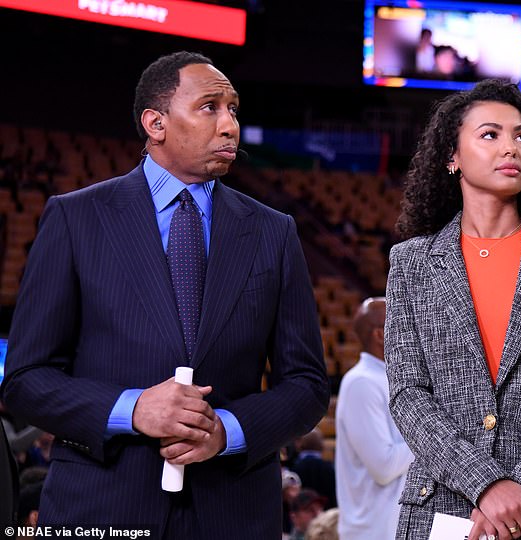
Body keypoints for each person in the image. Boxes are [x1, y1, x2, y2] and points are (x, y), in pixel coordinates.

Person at [0, 51, 329, 539]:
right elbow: (25, 380)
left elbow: (306, 383)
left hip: (233, 513)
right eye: (209, 107)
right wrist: (131, 409)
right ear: (155, 123)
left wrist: (227, 431)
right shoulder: (76, 218)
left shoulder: (273, 232)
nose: (229, 125)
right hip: (101, 507)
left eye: (233, 109)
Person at [385, 79, 521, 540]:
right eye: (490, 134)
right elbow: (409, 395)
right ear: (453, 157)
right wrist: (486, 484)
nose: (511, 147)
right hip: (444, 508)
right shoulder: (410, 262)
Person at [335, 297, 414, 539]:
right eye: (399, 322)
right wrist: (434, 441)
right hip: (372, 531)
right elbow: (384, 465)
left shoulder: (390, 378)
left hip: (391, 526)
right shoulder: (362, 382)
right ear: (380, 335)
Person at [291, 428, 337, 508]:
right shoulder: (330, 468)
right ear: (321, 445)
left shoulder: (294, 467)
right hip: (325, 514)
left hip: (301, 512)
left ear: (300, 444)